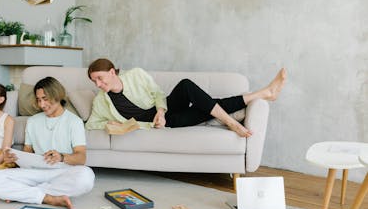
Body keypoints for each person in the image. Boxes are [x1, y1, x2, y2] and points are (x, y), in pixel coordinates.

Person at [85, 58, 287, 137]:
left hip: (165, 111)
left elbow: (156, 93)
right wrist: (108, 124)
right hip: (166, 124)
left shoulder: (135, 74)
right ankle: (264, 93)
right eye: (94, 82)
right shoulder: (101, 101)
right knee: (209, 107)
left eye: (100, 79)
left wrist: (161, 112)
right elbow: (90, 124)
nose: (98, 85)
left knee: (186, 85)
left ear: (112, 72)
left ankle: (232, 123)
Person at [0, 77, 95, 209]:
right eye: (39, 100)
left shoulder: (74, 122)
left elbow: (81, 157)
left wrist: (62, 157)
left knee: (86, 177)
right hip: (34, 172)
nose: (41, 104)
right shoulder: (33, 121)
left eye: (45, 99)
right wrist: (14, 158)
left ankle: (24, 193)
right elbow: (27, 152)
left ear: (57, 95)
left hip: (61, 171)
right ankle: (48, 198)